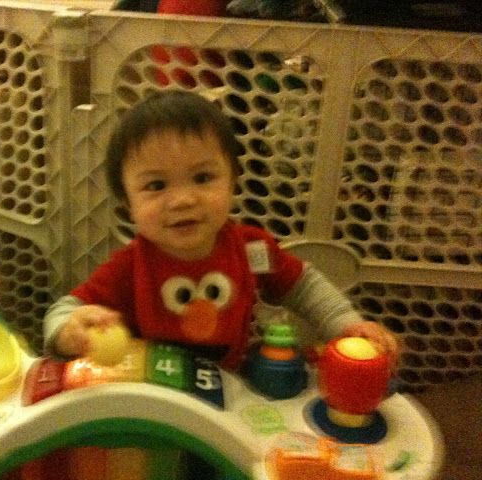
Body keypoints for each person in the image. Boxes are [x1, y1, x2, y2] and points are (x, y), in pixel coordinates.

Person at [43, 90, 398, 371]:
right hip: (152, 395)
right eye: (156, 185)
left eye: (202, 177)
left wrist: (346, 325)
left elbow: (303, 286)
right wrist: (68, 331)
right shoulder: (130, 267)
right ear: (128, 204)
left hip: (230, 388)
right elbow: (65, 307)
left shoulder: (251, 250)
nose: (183, 200)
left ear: (233, 181)